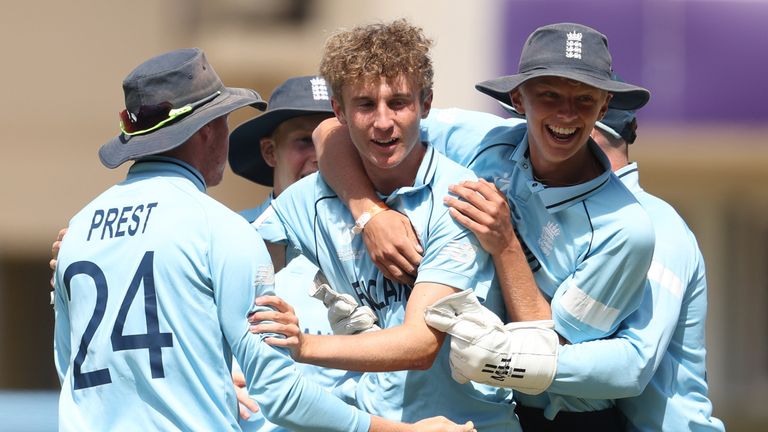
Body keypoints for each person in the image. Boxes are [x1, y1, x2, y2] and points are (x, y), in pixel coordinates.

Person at [51, 47, 473, 432]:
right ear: (207, 131)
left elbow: (68, 367)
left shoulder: (77, 233)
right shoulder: (220, 229)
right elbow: (279, 393)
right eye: (225, 120)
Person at [313, 22, 657, 429]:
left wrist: (505, 244)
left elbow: (548, 351)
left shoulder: (627, 230)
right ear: (517, 99)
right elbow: (331, 131)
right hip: (477, 405)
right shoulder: (484, 138)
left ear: (603, 109)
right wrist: (370, 214)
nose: (566, 113)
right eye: (549, 94)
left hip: (561, 417)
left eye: (584, 99)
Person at [248, 19, 558, 432]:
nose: (382, 121)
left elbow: (420, 344)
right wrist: (222, 366)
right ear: (339, 111)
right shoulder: (310, 199)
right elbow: (227, 283)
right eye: (364, 105)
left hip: (471, 426)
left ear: (425, 104)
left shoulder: (459, 198)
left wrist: (304, 346)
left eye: (398, 103)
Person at [227, 75, 369, 430]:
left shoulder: (383, 234)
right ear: (269, 152)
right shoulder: (225, 236)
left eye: (336, 140)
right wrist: (206, 381)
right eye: (304, 140)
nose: (320, 154)